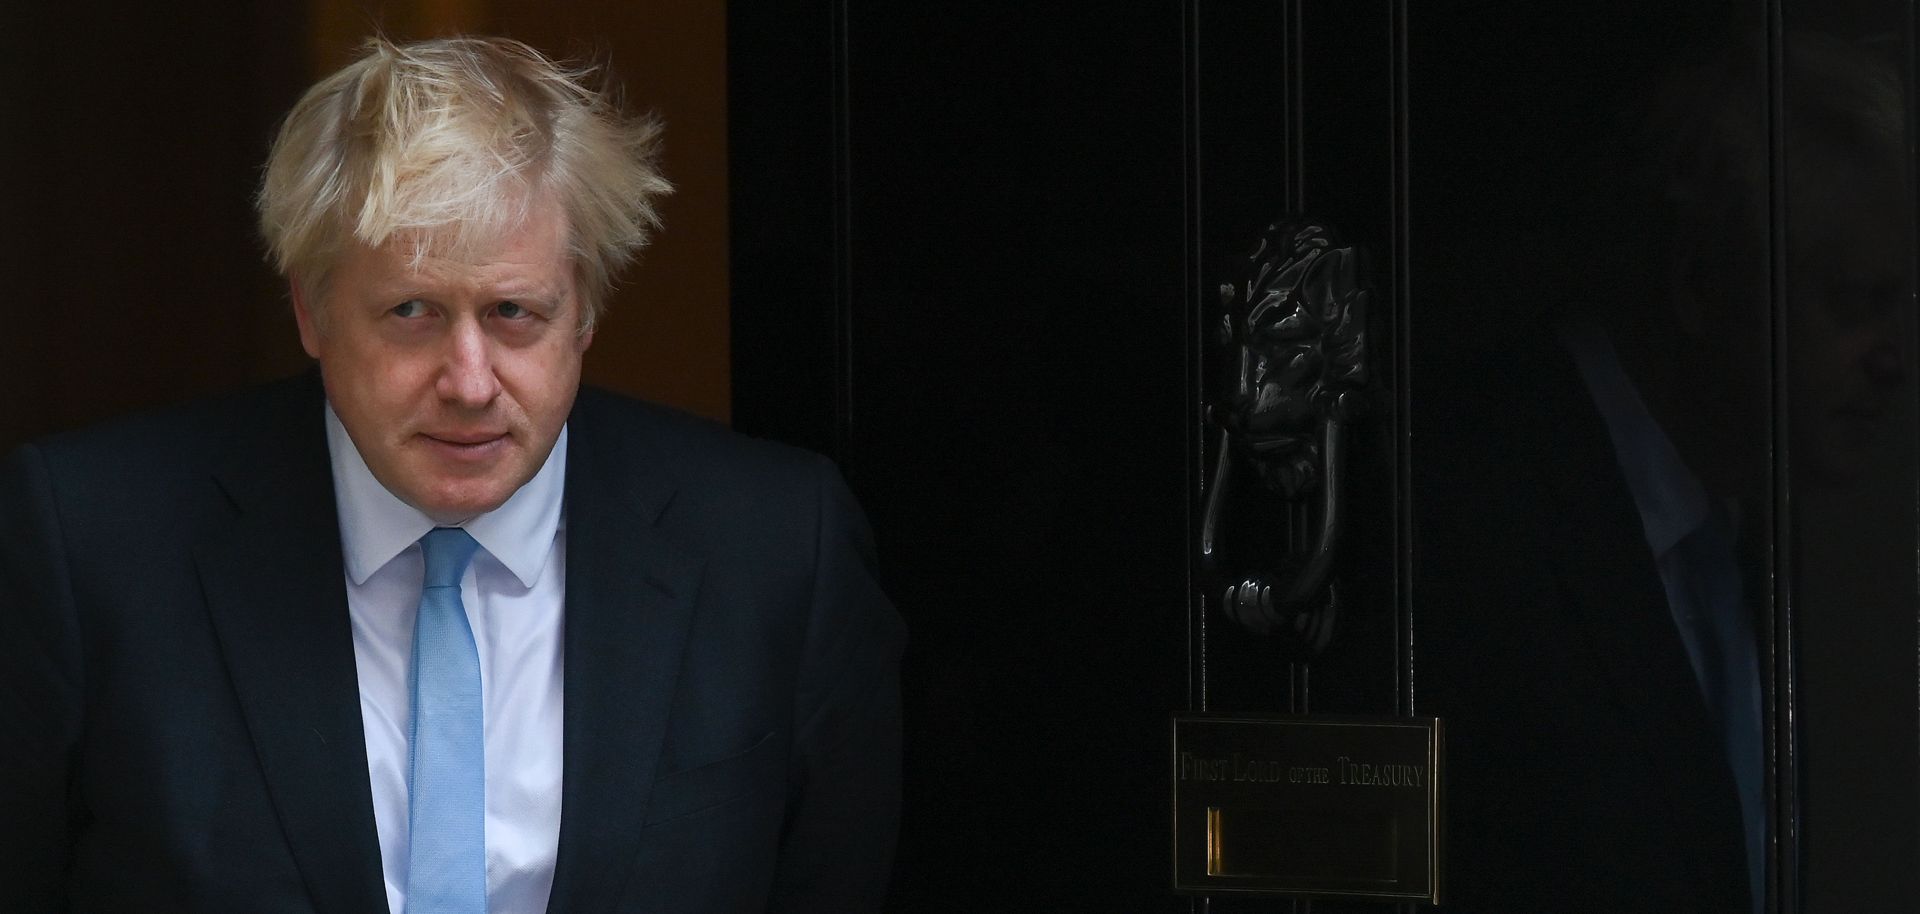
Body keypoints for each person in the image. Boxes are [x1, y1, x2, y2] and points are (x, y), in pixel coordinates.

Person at [0, 35, 904, 913]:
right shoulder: (88, 545)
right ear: (311, 313)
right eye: (411, 312)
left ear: (583, 312)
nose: (470, 383)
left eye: (515, 313)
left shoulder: (779, 546)